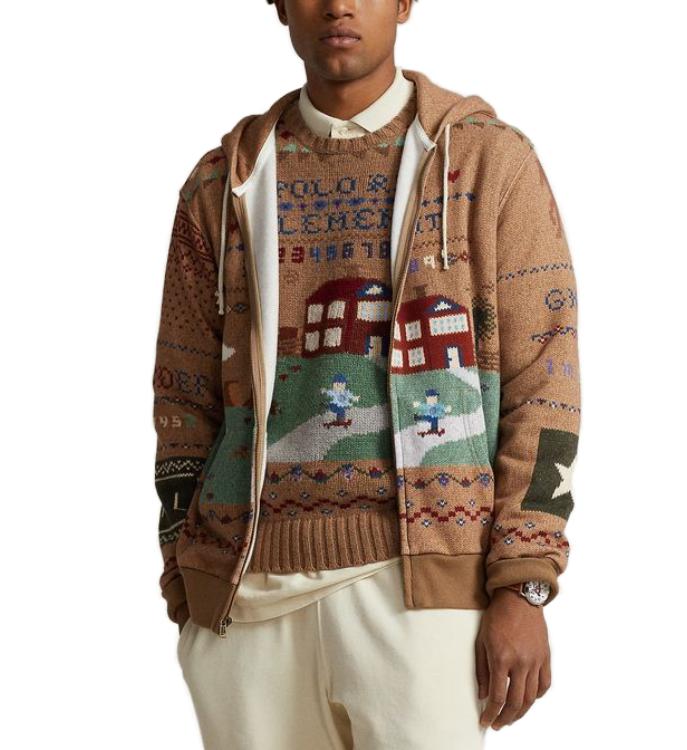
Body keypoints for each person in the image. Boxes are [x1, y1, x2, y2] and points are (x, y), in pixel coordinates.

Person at [151, 1, 581, 747]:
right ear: (279, 5)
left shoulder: (489, 162)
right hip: (247, 600)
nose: (339, 4)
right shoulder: (222, 185)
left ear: (405, 2)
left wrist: (525, 582)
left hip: (425, 596)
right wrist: (181, 566)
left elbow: (546, 377)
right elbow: (181, 391)